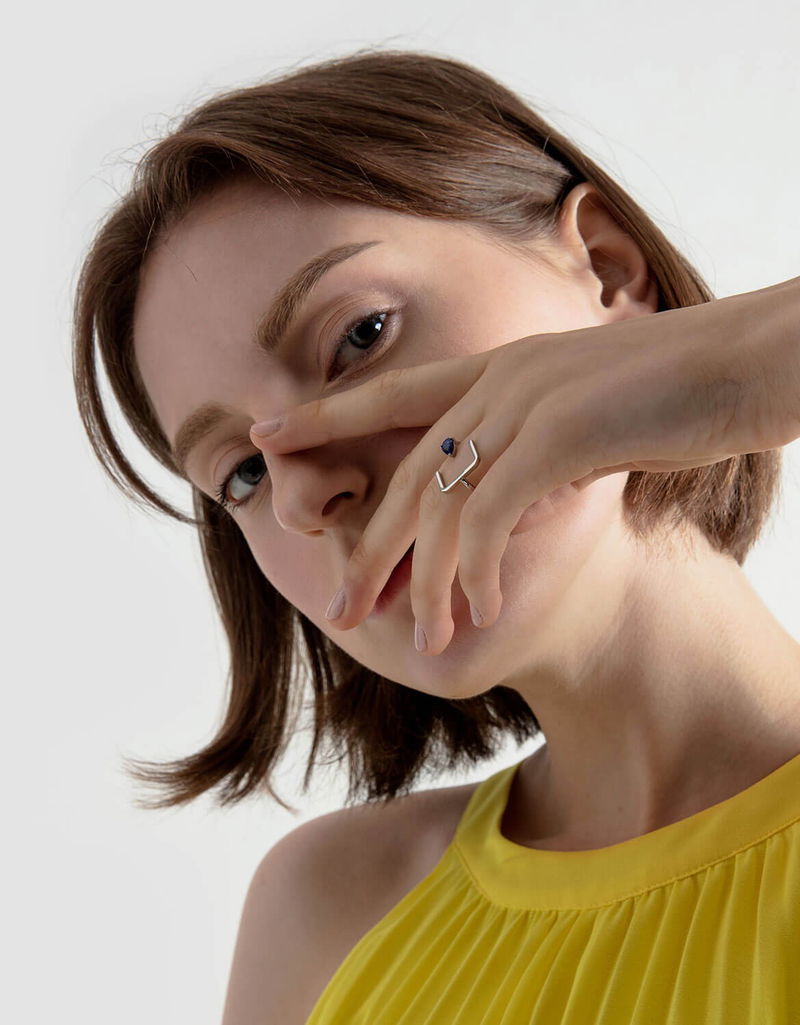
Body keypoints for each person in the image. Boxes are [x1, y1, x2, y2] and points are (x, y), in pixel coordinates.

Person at [72, 48, 800, 1024]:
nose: (305, 490)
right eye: (241, 472)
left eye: (361, 335)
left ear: (606, 268)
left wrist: (746, 367)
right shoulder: (329, 915)